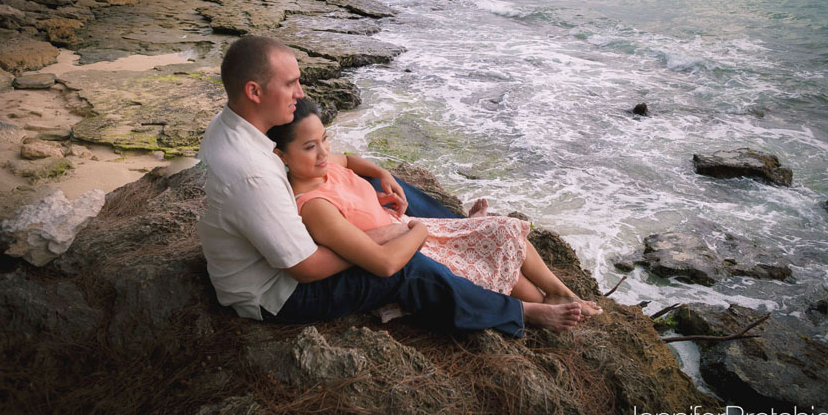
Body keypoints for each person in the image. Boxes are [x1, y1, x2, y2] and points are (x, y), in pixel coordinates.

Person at [197, 35, 585, 337]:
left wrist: (382, 177)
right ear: (254, 92)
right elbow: (306, 269)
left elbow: (339, 162)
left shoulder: (239, 125)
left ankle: (457, 228)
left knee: (381, 190)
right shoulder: (252, 173)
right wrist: (389, 236)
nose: (301, 93)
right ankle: (520, 313)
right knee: (407, 267)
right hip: (275, 293)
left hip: (282, 252)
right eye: (292, 83)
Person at [268, 97, 604, 319]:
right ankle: (542, 305)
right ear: (282, 155)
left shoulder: (326, 167)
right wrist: (421, 230)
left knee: (500, 232)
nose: (324, 153)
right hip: (407, 244)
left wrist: (383, 174)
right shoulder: (314, 207)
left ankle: (559, 292)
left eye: (325, 139)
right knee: (495, 245)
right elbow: (383, 263)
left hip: (407, 228)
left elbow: (350, 160)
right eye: (310, 147)